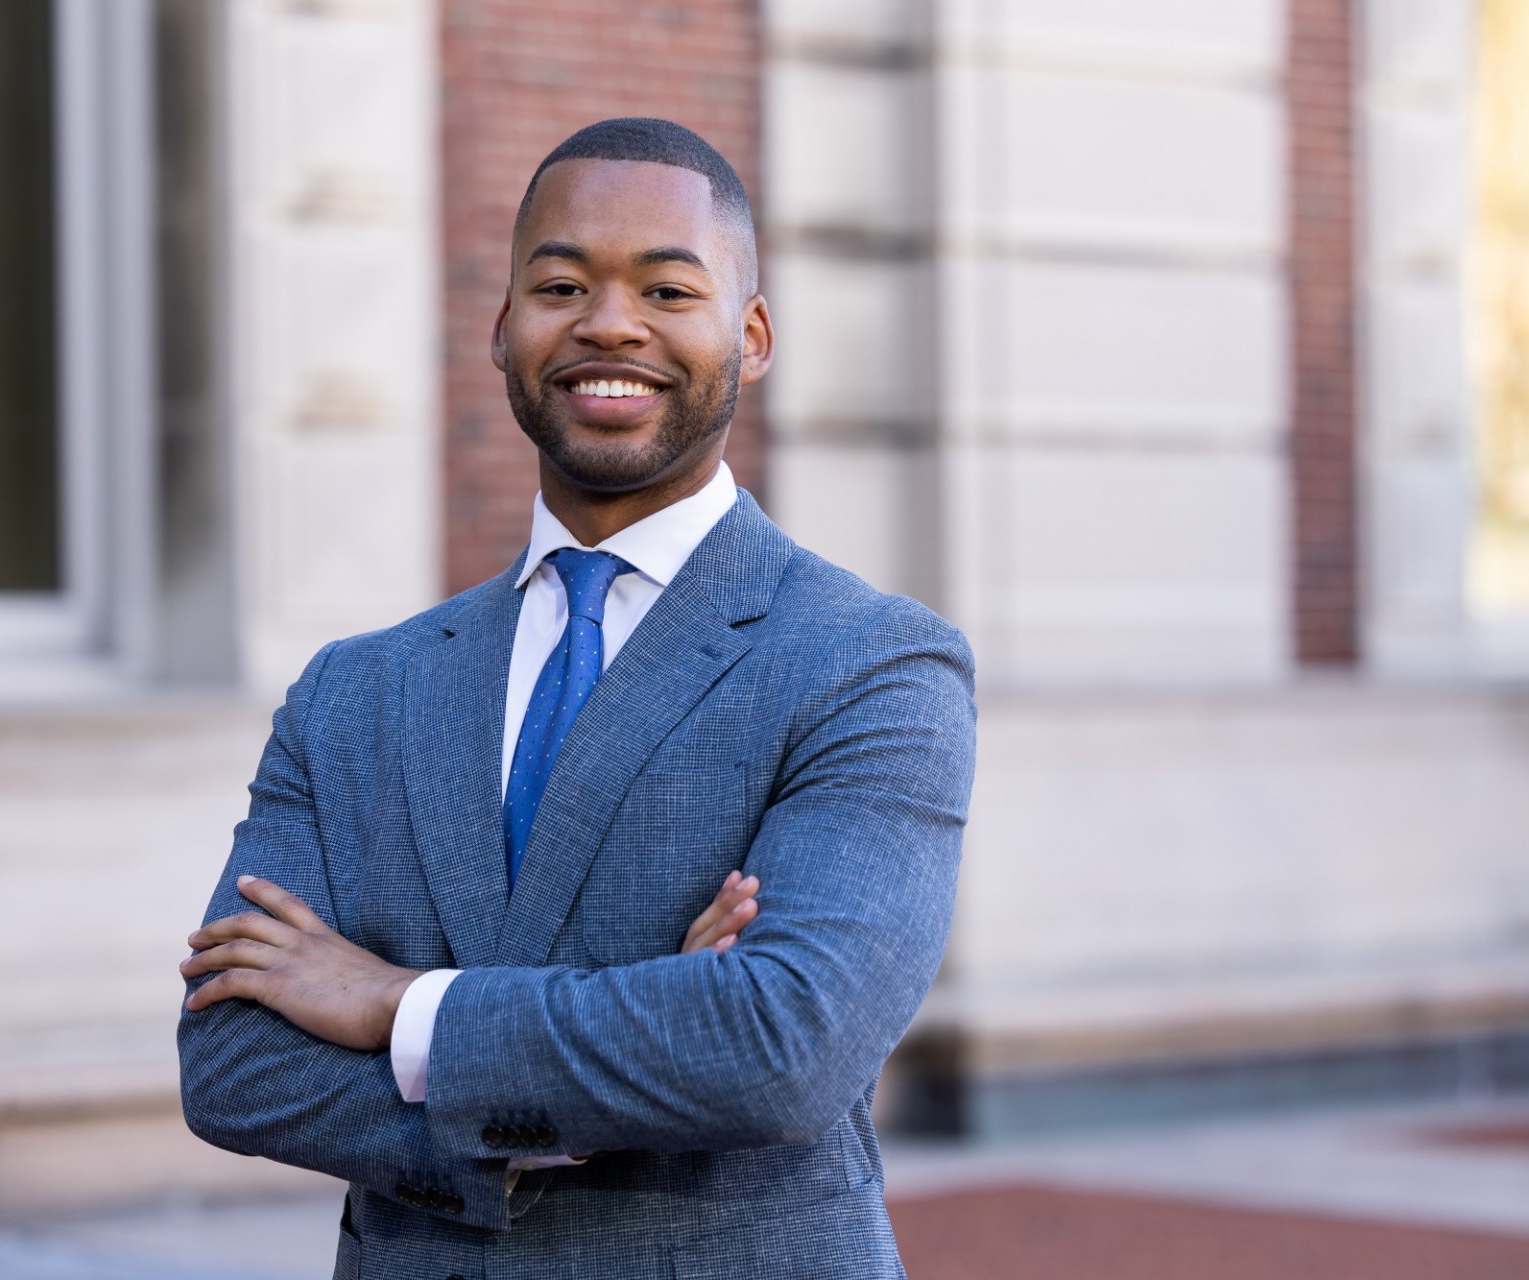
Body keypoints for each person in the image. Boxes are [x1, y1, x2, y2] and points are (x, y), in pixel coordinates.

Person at [177, 117, 976, 1279]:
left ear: (749, 338)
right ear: (503, 333)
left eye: (666, 287)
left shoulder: (872, 664)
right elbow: (235, 1064)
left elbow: (783, 1044)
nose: (609, 322)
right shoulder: (356, 690)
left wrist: (398, 1006)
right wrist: (638, 1046)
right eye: (560, 284)